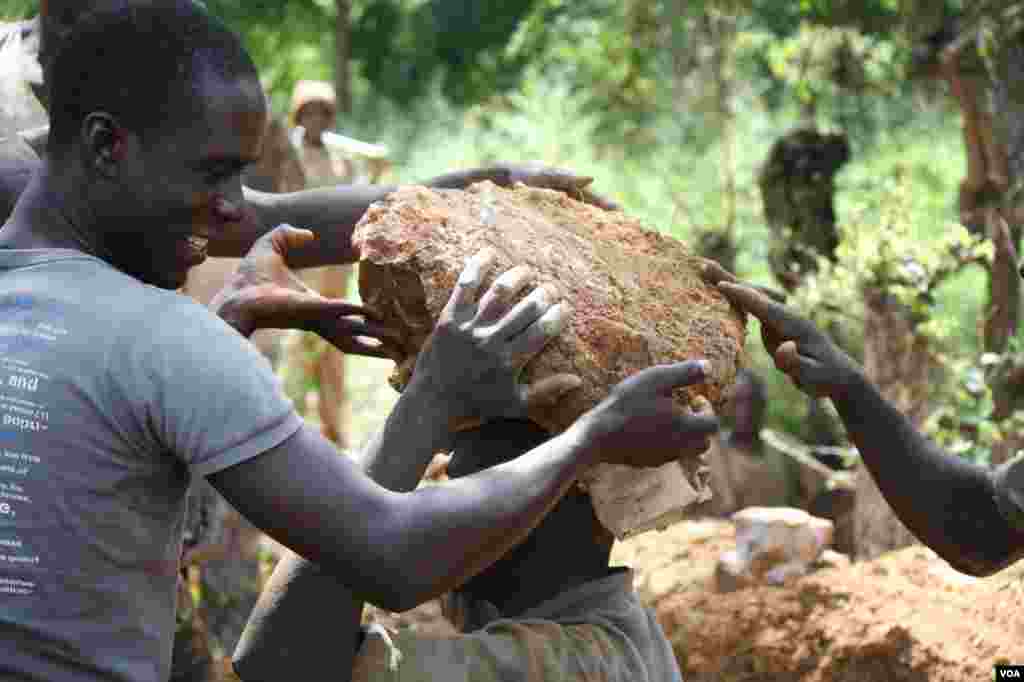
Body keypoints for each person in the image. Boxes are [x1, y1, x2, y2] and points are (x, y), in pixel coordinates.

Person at [0, 5, 718, 681]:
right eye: (212, 173)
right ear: (103, 144)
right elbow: (390, 555)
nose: (231, 213)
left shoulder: (116, 328)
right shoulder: (163, 342)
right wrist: (582, 434)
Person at [232, 419, 685, 682]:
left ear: (568, 501)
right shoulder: (598, 617)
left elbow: (276, 660)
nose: (448, 474)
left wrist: (426, 405)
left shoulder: (573, 665)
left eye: (474, 490)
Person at [701, 259, 1024, 576]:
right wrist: (849, 387)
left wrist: (849, 387)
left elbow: (979, 528)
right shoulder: (714, 456)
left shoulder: (780, 456)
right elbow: (983, 527)